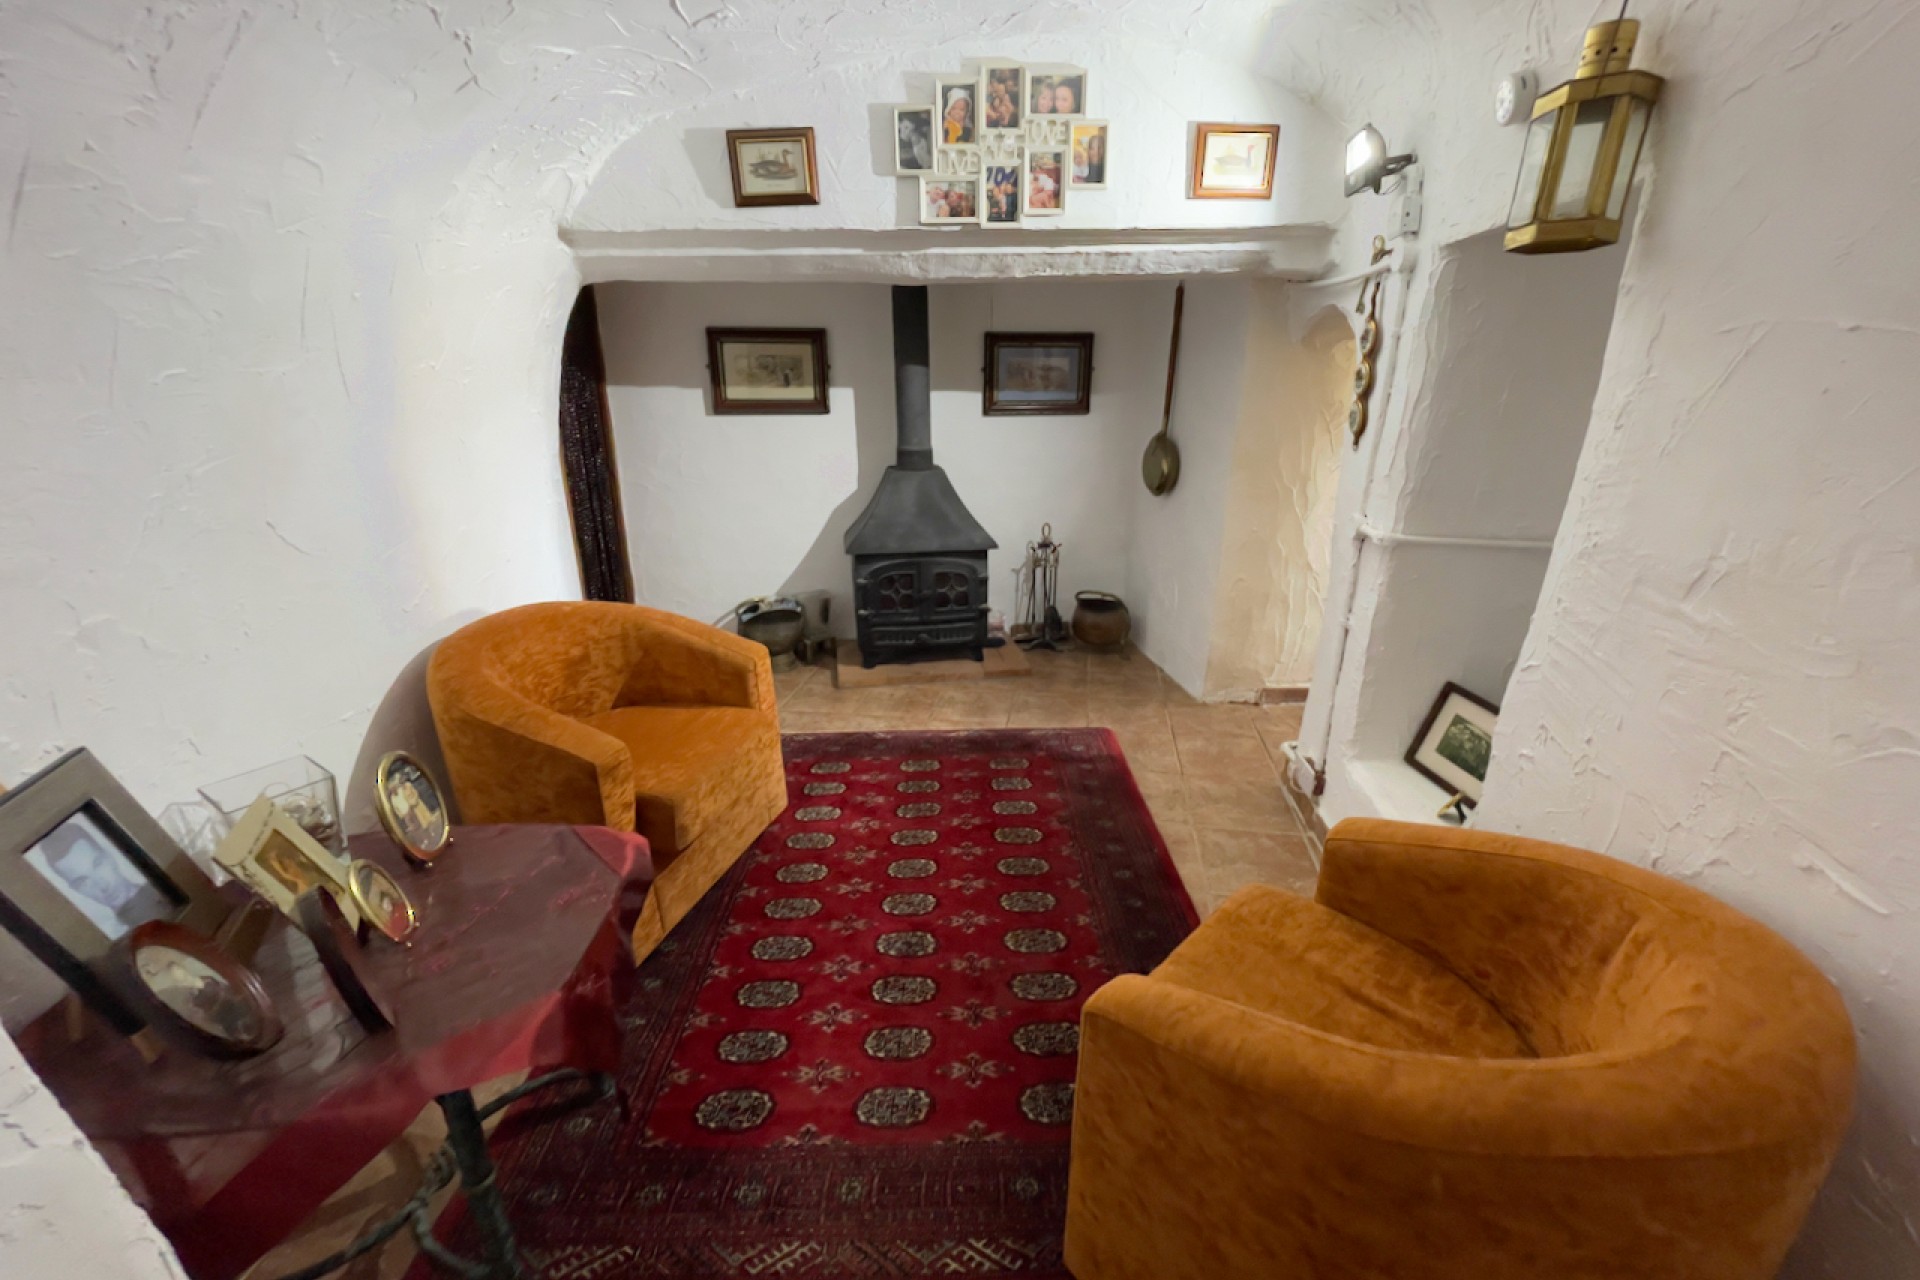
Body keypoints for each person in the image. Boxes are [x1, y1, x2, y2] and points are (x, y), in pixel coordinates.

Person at [33, 817, 170, 937]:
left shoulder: (166, 887)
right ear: (75, 889)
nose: (103, 886)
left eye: (97, 864)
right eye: (83, 881)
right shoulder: (115, 937)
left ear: (108, 855)